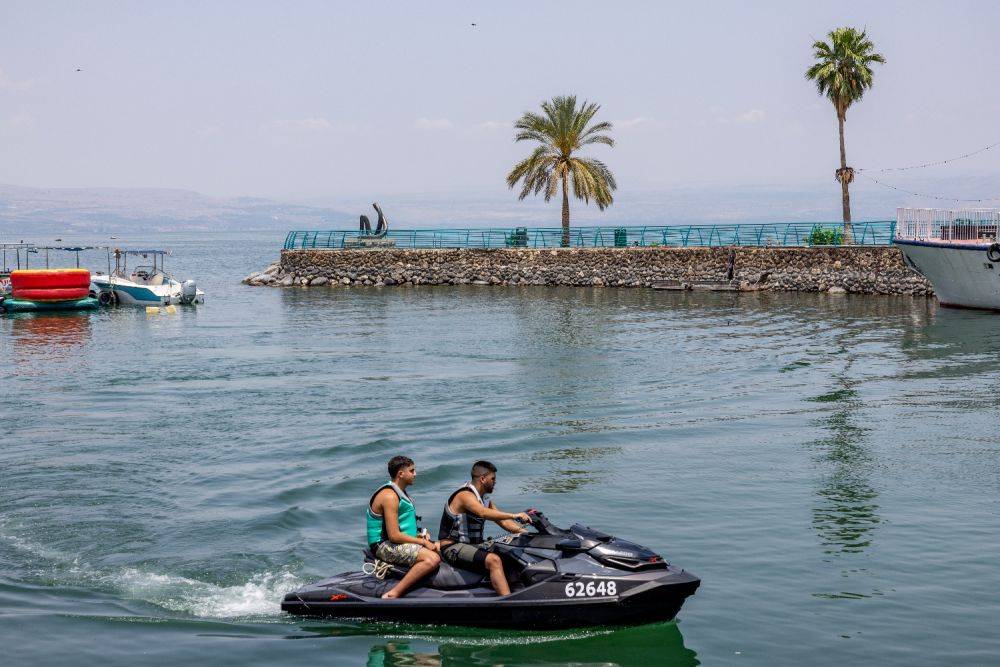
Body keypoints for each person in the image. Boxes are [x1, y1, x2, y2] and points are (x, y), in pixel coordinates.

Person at [437, 460, 531, 596]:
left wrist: (527, 534)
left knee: (510, 554)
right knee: (494, 560)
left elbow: (504, 522)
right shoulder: (465, 495)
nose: (495, 482)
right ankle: (508, 603)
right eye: (493, 479)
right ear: (482, 479)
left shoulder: (484, 499)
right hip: (453, 547)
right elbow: (483, 512)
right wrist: (515, 514)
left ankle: (521, 594)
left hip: (474, 546)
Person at [366, 455, 440, 599]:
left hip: (396, 541)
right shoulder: (389, 496)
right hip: (383, 546)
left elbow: (401, 526)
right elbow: (393, 535)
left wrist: (418, 535)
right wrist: (423, 542)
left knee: (441, 546)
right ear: (401, 474)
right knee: (432, 559)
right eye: (412, 471)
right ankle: (395, 593)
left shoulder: (400, 492)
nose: (415, 474)